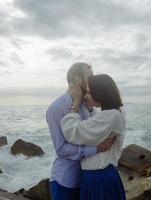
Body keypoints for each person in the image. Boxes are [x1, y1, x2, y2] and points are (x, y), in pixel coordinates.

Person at [46, 63, 115, 200]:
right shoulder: (56, 108)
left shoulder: (86, 104)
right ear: (78, 80)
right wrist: (96, 149)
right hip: (66, 181)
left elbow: (94, 134)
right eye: (90, 77)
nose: (93, 81)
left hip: (87, 177)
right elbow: (61, 149)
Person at [60, 74, 126, 200]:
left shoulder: (111, 116)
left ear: (100, 93)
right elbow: (96, 123)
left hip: (99, 179)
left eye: (89, 93)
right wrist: (89, 109)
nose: (85, 96)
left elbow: (73, 132)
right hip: (102, 176)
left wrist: (75, 104)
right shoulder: (116, 112)